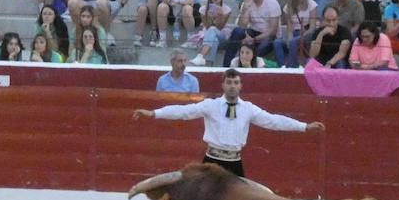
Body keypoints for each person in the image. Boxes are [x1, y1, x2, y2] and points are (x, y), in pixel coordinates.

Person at [133, 68, 323, 177]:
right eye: (229, 82)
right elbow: (183, 112)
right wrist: (153, 113)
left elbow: (273, 121)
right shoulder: (211, 106)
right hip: (212, 160)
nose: (232, 86)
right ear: (223, 85)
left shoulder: (248, 109)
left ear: (240, 86)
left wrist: (303, 126)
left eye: (236, 82)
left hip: (234, 161)